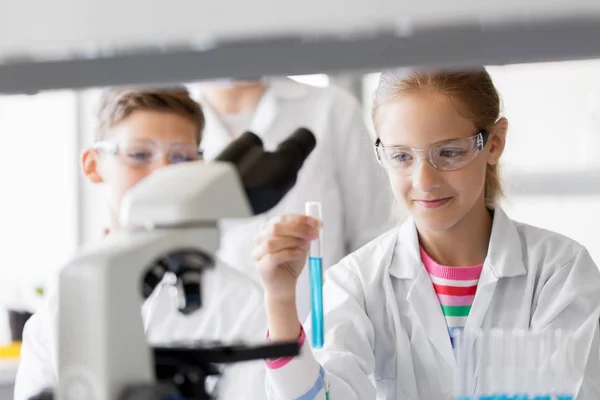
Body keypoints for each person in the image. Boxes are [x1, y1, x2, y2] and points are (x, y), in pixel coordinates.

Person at [253, 69, 600, 399]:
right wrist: (281, 301)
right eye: (402, 156)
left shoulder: (560, 272)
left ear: (493, 143)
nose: (425, 181)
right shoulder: (356, 282)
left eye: (448, 153)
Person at [15, 87, 268, 400]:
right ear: (93, 165)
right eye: (138, 155)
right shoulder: (57, 314)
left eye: (182, 157)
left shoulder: (240, 304)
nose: (162, 173)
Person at [196, 78, 395, 320]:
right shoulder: (168, 118)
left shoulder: (331, 108)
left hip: (325, 338)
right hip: (216, 340)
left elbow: (375, 238)